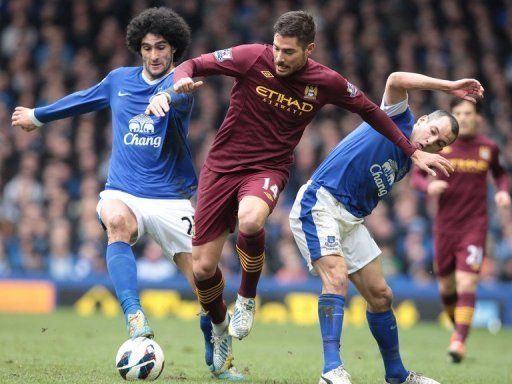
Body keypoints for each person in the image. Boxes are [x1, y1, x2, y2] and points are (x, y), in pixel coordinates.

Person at [146, 10, 454, 378]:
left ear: (309, 50)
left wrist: (414, 151)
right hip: (223, 167)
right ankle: (217, 325)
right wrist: (178, 80)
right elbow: (195, 64)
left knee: (252, 220)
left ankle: (247, 299)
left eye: (288, 52)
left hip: (269, 170)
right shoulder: (251, 57)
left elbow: (369, 110)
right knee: (203, 269)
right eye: (276, 48)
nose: (278, 58)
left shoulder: (325, 81)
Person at [10, 7, 242, 381]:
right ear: (139, 48)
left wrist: (170, 95)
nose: (154, 55)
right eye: (147, 48)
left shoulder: (182, 84)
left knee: (204, 280)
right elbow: (83, 99)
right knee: (115, 221)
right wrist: (38, 115)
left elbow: (175, 99)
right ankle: (135, 317)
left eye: (162, 47)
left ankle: (216, 334)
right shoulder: (119, 80)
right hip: (124, 190)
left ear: (174, 49)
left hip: (170, 197)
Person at [288, 71, 484, 384]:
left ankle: (396, 375)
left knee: (381, 295)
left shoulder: (413, 159)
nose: (431, 141)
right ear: (420, 120)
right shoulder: (397, 117)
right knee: (336, 278)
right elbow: (394, 79)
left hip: (351, 220)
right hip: (321, 202)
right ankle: (331, 370)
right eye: (433, 130)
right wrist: (448, 86)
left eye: (440, 143)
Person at [411, 99, 510, 363]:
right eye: (458, 114)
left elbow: (500, 174)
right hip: (444, 227)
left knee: (467, 282)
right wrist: (427, 188)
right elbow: (417, 176)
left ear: (477, 118)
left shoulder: (488, 148)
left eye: (468, 114)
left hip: (475, 226)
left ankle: (458, 341)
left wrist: (502, 192)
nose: (463, 118)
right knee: (447, 288)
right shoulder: (441, 147)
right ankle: (459, 328)